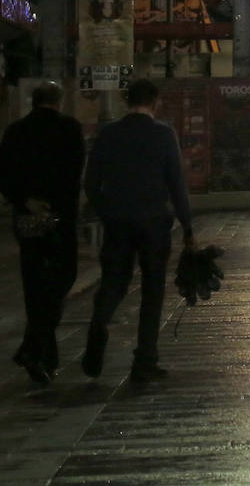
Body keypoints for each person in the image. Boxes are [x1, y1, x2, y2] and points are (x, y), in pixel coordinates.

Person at [81, 78, 195, 385]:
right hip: (154, 223)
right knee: (152, 291)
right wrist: (187, 226)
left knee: (114, 281)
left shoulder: (109, 134)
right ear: (155, 102)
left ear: (126, 102)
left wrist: (107, 211)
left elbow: (91, 183)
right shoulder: (163, 134)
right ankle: (145, 360)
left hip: (117, 222)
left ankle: (99, 322)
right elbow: (176, 183)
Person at [0, 81, 85, 387]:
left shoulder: (16, 131)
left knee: (34, 285)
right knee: (63, 278)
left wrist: (26, 202)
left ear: (33, 102)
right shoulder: (70, 129)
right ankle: (34, 349)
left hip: (28, 220)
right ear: (59, 101)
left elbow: (2, 176)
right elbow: (75, 174)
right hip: (61, 218)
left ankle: (40, 352)